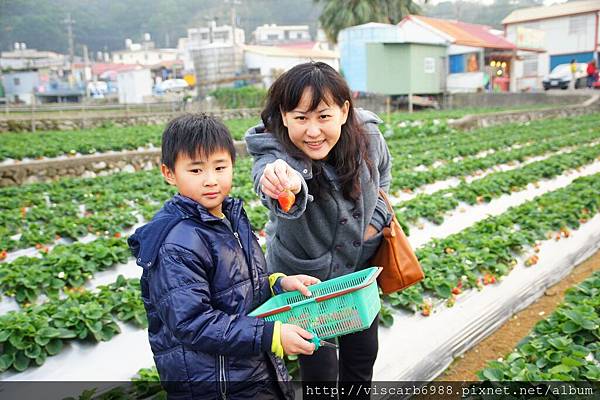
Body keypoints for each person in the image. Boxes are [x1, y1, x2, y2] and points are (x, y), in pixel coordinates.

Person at [128, 114, 322, 400]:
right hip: (216, 385)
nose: (210, 180)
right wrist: (270, 335)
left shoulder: (229, 217)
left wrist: (277, 284)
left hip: (250, 371)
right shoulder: (175, 242)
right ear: (169, 173)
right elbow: (193, 322)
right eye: (195, 171)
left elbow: (236, 287)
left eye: (220, 167)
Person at [245, 62, 392, 395]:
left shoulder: (368, 135)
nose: (313, 131)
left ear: (343, 111)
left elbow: (383, 179)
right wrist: (286, 185)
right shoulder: (273, 150)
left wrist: (374, 226)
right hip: (305, 285)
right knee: (320, 371)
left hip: (356, 272)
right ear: (283, 116)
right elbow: (271, 180)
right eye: (301, 118)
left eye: (323, 116)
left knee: (362, 357)